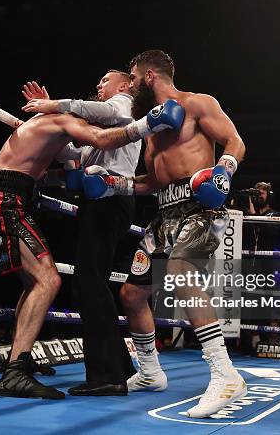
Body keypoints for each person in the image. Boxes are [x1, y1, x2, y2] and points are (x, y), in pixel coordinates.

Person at [0, 87, 184, 399]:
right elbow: (100, 138)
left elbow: (66, 162)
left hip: (17, 195)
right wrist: (149, 123)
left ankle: (18, 361)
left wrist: (68, 172)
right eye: (92, 116)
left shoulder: (53, 125)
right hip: (7, 198)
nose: (95, 120)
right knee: (48, 280)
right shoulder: (63, 119)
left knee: (37, 281)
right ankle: (15, 372)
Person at [77, 49, 247, 418]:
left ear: (149, 76)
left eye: (134, 78)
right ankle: (151, 372)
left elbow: (235, 142)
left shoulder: (198, 104)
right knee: (132, 293)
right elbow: (152, 182)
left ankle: (225, 373)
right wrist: (114, 183)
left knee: (180, 272)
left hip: (202, 204)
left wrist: (223, 171)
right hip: (164, 213)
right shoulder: (151, 127)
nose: (132, 85)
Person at [21, 71, 142, 396]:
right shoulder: (103, 128)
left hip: (109, 197)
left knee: (88, 283)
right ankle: (120, 368)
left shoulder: (123, 108)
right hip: (102, 200)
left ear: (125, 85)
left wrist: (55, 105)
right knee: (94, 283)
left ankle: (107, 375)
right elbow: (74, 155)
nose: (98, 85)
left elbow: (99, 111)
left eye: (105, 80)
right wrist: (48, 121)